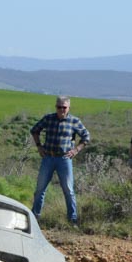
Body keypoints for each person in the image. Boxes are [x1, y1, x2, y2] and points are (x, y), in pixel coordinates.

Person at [30, 96, 90, 224]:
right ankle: (35, 217)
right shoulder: (48, 119)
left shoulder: (74, 121)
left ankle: (72, 220)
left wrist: (76, 150)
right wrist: (39, 147)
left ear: (68, 108)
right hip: (48, 158)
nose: (61, 109)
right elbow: (35, 130)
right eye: (59, 107)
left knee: (69, 190)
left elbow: (86, 136)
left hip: (64, 159)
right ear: (55, 106)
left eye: (64, 107)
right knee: (40, 189)